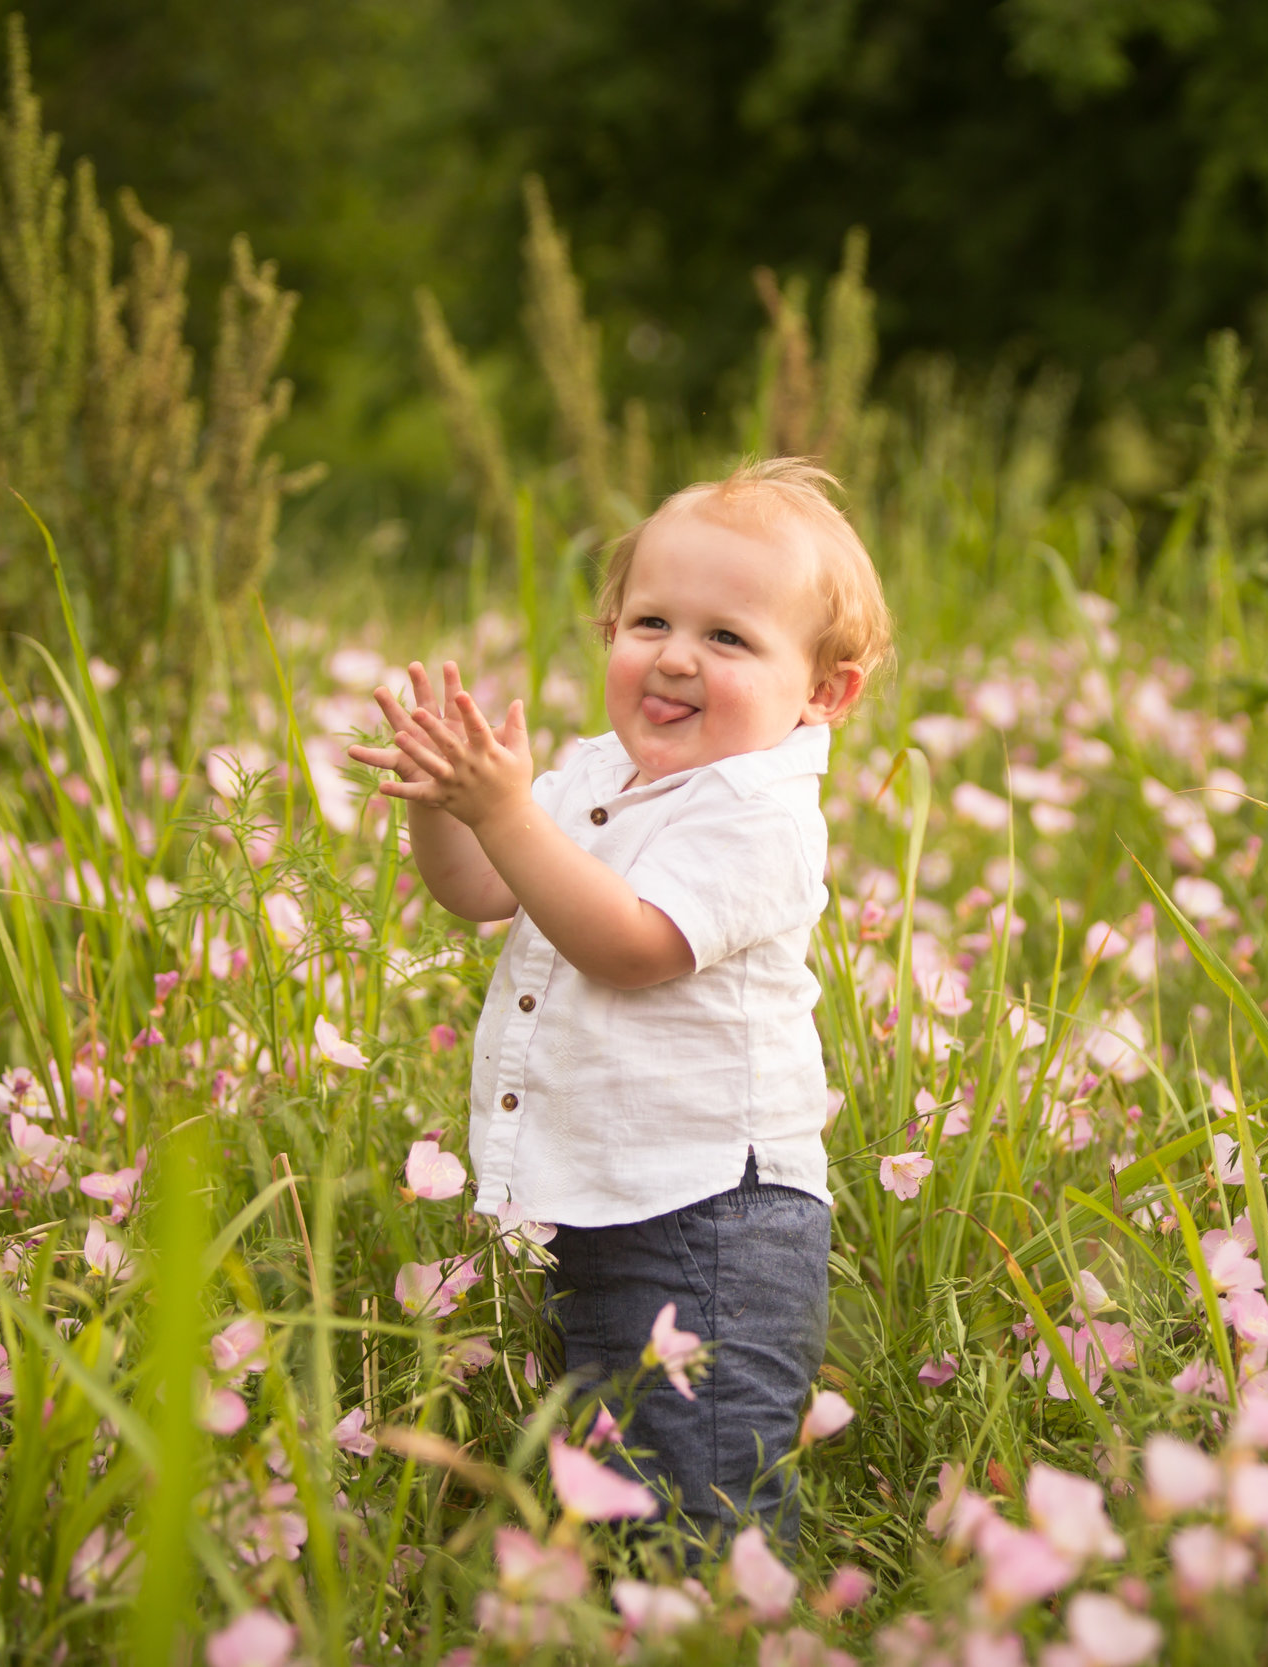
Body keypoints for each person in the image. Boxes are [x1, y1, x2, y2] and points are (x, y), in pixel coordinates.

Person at [348, 456, 891, 1552]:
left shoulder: (762, 813)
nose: (676, 655)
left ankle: (721, 1623)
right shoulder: (598, 775)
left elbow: (629, 945)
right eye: (649, 619)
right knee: (617, 1490)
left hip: (714, 1217)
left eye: (729, 637)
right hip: (599, 1197)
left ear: (824, 690)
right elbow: (483, 891)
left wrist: (508, 812)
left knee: (703, 1505)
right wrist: (449, 803)